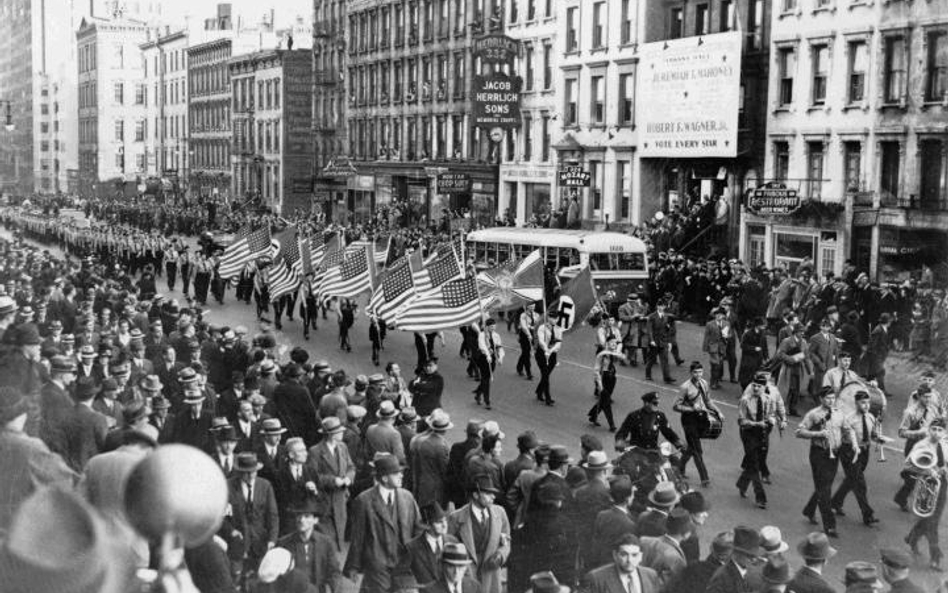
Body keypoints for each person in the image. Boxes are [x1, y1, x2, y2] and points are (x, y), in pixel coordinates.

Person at [344, 454, 422, 593]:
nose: (401, 476)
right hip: (377, 565)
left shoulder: (407, 497)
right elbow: (358, 536)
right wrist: (353, 566)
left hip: (405, 564)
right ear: (385, 478)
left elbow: (417, 528)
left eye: (401, 473)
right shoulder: (364, 501)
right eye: (396, 473)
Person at [830, 390, 889, 526]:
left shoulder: (870, 417)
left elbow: (873, 435)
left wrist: (879, 438)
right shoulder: (849, 419)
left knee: (851, 480)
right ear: (856, 404)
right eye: (863, 403)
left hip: (864, 452)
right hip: (850, 452)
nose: (866, 405)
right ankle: (867, 514)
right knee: (860, 484)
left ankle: (835, 502)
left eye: (868, 402)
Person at [447, 474, 510, 593]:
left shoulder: (500, 513)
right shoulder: (456, 518)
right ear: (475, 495)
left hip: (491, 575)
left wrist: (500, 555)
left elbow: (507, 541)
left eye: (493, 493)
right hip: (467, 576)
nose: (493, 497)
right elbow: (449, 548)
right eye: (487, 493)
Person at [904, 418, 948, 571]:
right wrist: (926, 470)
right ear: (929, 430)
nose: (936, 433)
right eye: (934, 429)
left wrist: (944, 469)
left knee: (932, 518)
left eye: (940, 430)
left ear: (945, 431)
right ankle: (935, 557)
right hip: (926, 484)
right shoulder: (922, 445)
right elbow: (908, 465)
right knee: (932, 521)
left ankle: (911, 538)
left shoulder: (945, 443)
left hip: (942, 484)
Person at [306, 416, 355, 553]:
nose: (342, 433)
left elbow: (351, 467)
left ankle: (335, 568)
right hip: (324, 501)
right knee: (327, 540)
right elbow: (313, 476)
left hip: (341, 500)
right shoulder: (315, 451)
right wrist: (333, 481)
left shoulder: (342, 447)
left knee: (340, 537)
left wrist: (349, 479)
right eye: (339, 431)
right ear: (330, 434)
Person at [228, 451, 281, 577]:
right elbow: (223, 518)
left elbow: (273, 516)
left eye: (254, 471)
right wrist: (231, 532)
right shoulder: (228, 486)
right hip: (238, 545)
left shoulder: (265, 486)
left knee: (261, 581)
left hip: (261, 544)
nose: (251, 475)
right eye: (247, 472)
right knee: (237, 581)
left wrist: (272, 540)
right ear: (240, 472)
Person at [674, 362, 722, 487]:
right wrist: (691, 409)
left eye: (700, 371)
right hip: (689, 420)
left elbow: (708, 401)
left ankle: (679, 468)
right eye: (695, 372)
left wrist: (718, 411)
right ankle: (704, 478)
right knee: (697, 450)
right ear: (691, 373)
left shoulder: (704, 383)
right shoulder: (685, 387)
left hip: (701, 419)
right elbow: (676, 406)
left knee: (692, 446)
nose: (698, 374)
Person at [895, 384, 940, 512]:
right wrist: (919, 432)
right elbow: (901, 432)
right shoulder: (910, 412)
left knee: (927, 475)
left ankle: (922, 503)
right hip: (913, 446)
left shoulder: (932, 410)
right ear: (919, 396)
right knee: (913, 478)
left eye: (930, 397)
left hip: (928, 446)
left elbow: (937, 424)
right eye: (925, 397)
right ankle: (902, 498)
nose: (928, 400)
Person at [736, 374, 777, 509]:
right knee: (754, 465)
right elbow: (741, 421)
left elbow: (771, 414)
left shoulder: (768, 399)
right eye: (754, 385)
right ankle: (761, 498)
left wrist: (771, 419)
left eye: (759, 386)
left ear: (764, 387)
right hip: (748, 433)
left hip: (762, 433)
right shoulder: (745, 400)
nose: (755, 388)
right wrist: (756, 424)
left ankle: (742, 484)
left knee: (754, 461)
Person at [401, 502, 460, 588]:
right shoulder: (412, 547)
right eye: (439, 522)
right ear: (427, 526)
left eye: (445, 521)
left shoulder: (453, 542)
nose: (444, 525)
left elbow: (465, 571)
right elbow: (400, 575)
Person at [581, 533, 662, 593]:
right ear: (615, 555)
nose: (629, 560)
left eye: (634, 555)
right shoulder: (597, 578)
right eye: (624, 554)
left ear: (640, 556)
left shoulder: (651, 575)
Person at [615, 392, 684, 452]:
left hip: (652, 451)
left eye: (658, 403)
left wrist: (677, 442)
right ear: (646, 403)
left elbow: (668, 432)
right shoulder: (634, 416)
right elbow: (623, 431)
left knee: (672, 464)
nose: (657, 405)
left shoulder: (660, 416)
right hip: (635, 451)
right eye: (654, 403)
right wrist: (620, 441)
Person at [706, 525, 762, 593]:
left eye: (755, 556)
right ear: (736, 553)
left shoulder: (747, 573)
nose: (754, 560)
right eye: (749, 556)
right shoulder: (722, 577)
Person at [589, 335, 627, 431]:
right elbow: (596, 371)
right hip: (603, 378)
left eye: (615, 343)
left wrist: (619, 352)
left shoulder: (614, 354)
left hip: (612, 379)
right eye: (612, 342)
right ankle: (612, 424)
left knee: (603, 400)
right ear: (607, 343)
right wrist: (600, 385)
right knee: (606, 402)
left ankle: (593, 415)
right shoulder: (602, 355)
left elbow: (623, 357)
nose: (614, 344)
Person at [777, 324, 812, 416]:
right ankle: (781, 408)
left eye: (803, 332)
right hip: (788, 368)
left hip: (798, 368)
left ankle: (793, 409)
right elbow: (780, 354)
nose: (802, 333)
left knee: (796, 390)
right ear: (795, 331)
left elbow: (807, 357)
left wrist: (810, 371)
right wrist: (790, 359)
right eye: (800, 331)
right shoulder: (787, 341)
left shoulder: (804, 342)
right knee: (787, 389)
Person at [808, 317, 841, 400]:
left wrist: (837, 362)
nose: (825, 328)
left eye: (827, 326)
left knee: (829, 386)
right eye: (823, 326)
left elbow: (835, 350)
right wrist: (819, 363)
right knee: (819, 386)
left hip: (831, 366)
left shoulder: (833, 337)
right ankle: (816, 400)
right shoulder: (815, 338)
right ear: (820, 327)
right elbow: (811, 353)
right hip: (820, 367)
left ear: (830, 327)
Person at [645, 301, 675, 384]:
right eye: (659, 306)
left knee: (665, 360)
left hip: (663, 341)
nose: (661, 307)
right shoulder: (652, 316)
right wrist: (651, 340)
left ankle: (667, 377)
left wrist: (669, 342)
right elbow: (649, 330)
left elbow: (667, 330)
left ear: (664, 307)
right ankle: (648, 374)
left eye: (663, 306)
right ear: (657, 306)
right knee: (651, 359)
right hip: (654, 341)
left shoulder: (666, 316)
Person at [534, 317, 562, 405]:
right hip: (541, 353)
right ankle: (548, 398)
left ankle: (539, 390)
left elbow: (558, 343)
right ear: (549, 318)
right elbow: (541, 341)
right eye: (552, 318)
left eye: (556, 318)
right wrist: (546, 349)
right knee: (545, 374)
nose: (554, 320)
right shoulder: (542, 328)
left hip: (552, 354)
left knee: (546, 374)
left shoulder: (558, 329)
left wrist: (551, 350)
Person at [738, 317, 769, 389]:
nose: (764, 327)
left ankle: (753, 390)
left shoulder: (763, 334)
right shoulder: (748, 333)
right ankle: (744, 390)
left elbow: (765, 346)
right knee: (746, 376)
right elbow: (743, 345)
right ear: (757, 325)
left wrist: (766, 357)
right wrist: (754, 348)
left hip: (758, 358)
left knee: (756, 375)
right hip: (748, 359)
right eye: (762, 325)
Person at [702, 308, 730, 389]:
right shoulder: (710, 324)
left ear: (724, 316)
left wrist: (727, 336)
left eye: (721, 315)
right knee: (716, 365)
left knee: (719, 365)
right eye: (717, 315)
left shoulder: (726, 323)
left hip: (722, 347)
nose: (719, 316)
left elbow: (730, 334)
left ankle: (716, 381)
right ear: (715, 315)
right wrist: (705, 348)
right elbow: (706, 336)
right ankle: (712, 383)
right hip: (713, 347)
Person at [866, 312, 892, 392]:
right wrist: (875, 355)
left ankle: (868, 388)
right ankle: (882, 390)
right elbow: (872, 344)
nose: (890, 322)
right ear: (887, 321)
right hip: (877, 356)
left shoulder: (883, 328)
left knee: (873, 374)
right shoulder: (878, 330)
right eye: (889, 321)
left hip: (880, 355)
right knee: (880, 372)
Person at [517, 302, 538, 380]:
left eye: (534, 306)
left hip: (533, 335)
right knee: (526, 354)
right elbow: (523, 326)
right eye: (531, 306)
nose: (533, 308)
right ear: (527, 307)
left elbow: (538, 324)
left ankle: (519, 367)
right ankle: (529, 373)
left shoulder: (536, 315)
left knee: (525, 352)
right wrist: (528, 334)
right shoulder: (523, 315)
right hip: (525, 335)